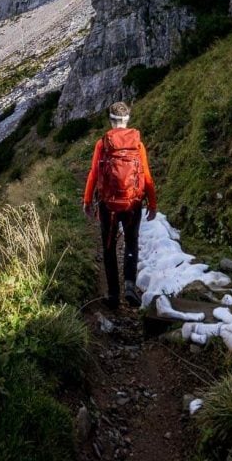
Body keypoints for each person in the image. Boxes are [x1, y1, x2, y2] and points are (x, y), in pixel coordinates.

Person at [83, 101, 157, 309]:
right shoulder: (138, 144)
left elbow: (94, 174)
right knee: (132, 242)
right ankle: (130, 286)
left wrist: (88, 200)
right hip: (133, 203)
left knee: (109, 247)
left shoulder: (103, 143)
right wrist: (152, 203)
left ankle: (114, 294)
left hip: (109, 205)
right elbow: (147, 176)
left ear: (111, 120)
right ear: (127, 119)